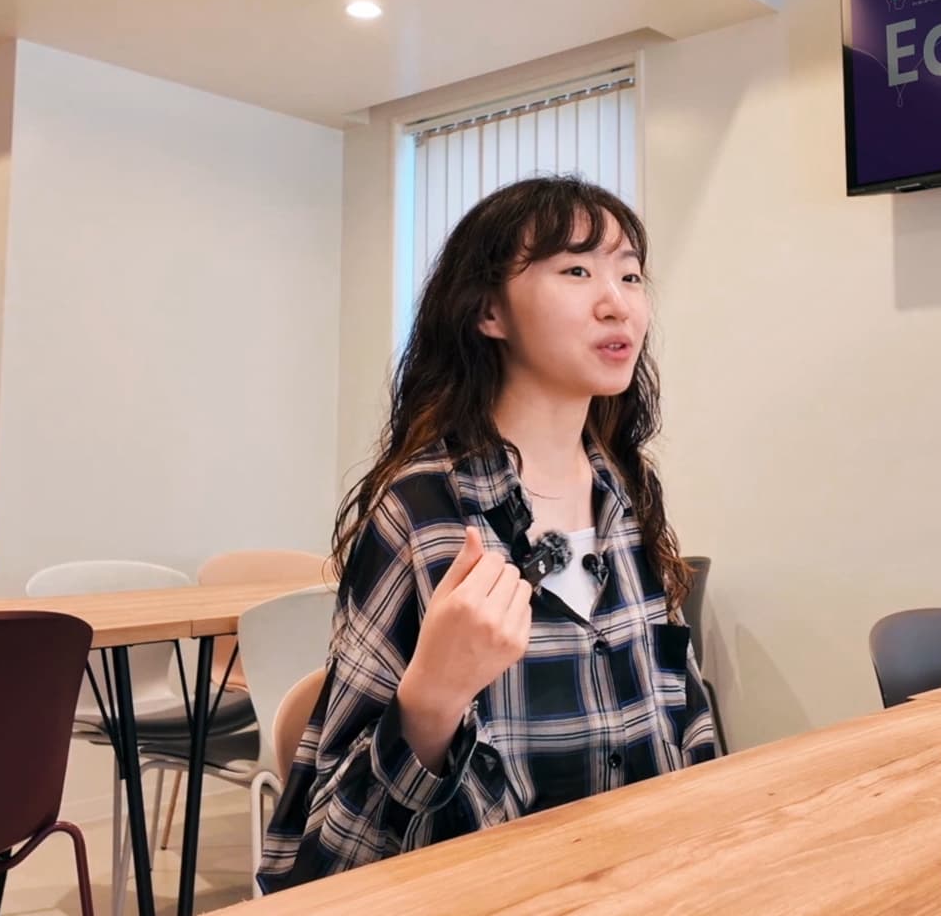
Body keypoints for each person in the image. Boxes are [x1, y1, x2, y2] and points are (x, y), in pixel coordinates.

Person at [257, 175, 718, 892]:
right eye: (576, 270)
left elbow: (689, 728)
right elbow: (325, 857)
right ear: (488, 311)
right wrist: (432, 700)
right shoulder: (423, 512)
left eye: (631, 274)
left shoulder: (625, 495)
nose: (617, 301)